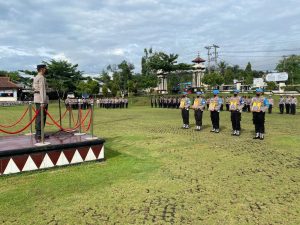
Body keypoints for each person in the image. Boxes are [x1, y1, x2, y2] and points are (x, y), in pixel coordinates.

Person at [33, 64, 49, 141]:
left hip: (37, 98)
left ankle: (39, 132)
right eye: (45, 68)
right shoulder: (41, 77)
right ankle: (39, 133)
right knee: (41, 116)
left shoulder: (36, 77)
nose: (46, 70)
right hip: (41, 98)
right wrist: (43, 101)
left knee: (39, 116)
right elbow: (42, 89)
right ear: (42, 69)